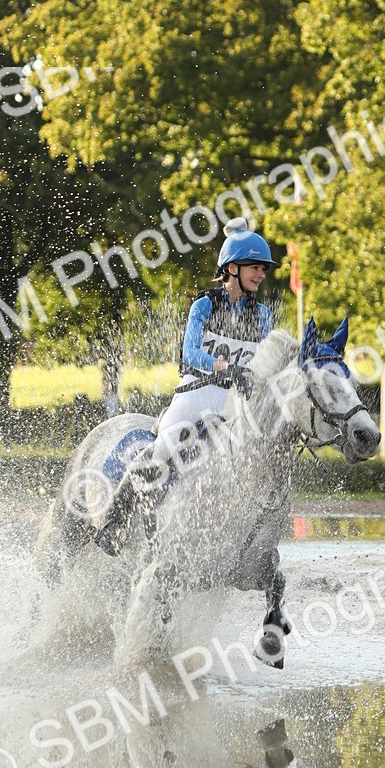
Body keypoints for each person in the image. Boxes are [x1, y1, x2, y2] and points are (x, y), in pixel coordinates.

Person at [95, 216, 277, 555]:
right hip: (195, 394)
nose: (261, 274)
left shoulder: (263, 316)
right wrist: (224, 366)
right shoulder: (205, 304)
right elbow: (190, 352)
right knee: (160, 452)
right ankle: (115, 524)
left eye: (263, 269)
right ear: (232, 268)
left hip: (231, 404)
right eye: (255, 267)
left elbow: (264, 364)